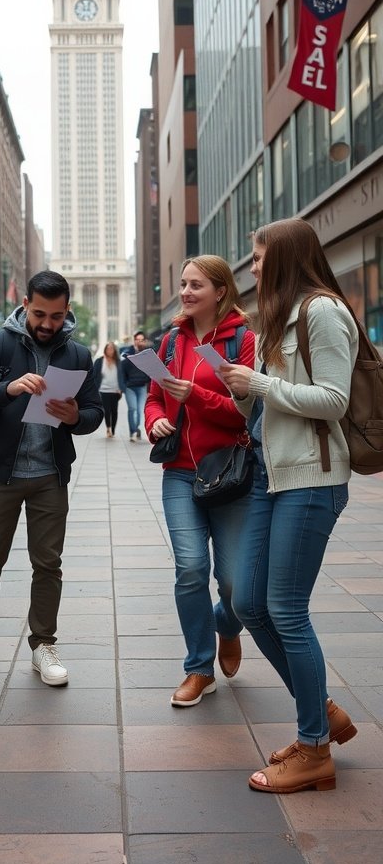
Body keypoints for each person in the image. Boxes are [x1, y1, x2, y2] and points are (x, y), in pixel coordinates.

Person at [219, 218, 359, 794]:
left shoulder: (324, 311)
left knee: (286, 609)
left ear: (283, 258)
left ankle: (314, 748)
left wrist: (260, 384)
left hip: (312, 479)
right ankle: (318, 709)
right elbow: (271, 405)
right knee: (248, 603)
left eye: (259, 257)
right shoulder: (278, 318)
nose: (252, 267)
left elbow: (332, 399)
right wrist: (239, 387)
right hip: (272, 476)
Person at [0, 270, 104, 692]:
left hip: (50, 475)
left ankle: (44, 644)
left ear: (66, 310)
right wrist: (9, 388)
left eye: (55, 315)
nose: (46, 323)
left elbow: (92, 414)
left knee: (48, 564)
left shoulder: (79, 354)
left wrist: (74, 417)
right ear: (25, 306)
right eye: (38, 313)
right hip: (1, 472)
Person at [145, 255, 255, 708]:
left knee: (234, 583)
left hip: (228, 471)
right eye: (184, 284)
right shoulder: (172, 340)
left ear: (221, 291)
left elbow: (244, 411)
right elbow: (154, 397)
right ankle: (198, 668)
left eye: (196, 286)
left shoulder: (242, 341)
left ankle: (227, 625)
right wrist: (155, 422)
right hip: (180, 473)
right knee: (191, 569)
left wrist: (198, 397)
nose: (186, 292)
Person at [122, 330, 151, 441]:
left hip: (142, 386)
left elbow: (151, 371)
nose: (140, 342)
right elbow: (122, 371)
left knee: (140, 410)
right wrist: (124, 386)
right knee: (132, 409)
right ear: (134, 341)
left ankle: (136, 429)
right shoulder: (127, 353)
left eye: (142, 340)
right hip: (130, 387)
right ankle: (133, 432)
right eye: (138, 340)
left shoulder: (148, 354)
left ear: (145, 341)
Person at [93, 341, 126, 437]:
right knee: (106, 411)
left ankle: (113, 429)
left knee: (114, 411)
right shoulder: (99, 361)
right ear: (105, 350)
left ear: (114, 350)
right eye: (108, 348)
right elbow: (94, 375)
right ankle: (108, 428)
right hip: (103, 390)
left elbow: (122, 376)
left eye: (111, 348)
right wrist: (95, 389)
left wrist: (121, 389)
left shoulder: (118, 362)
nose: (110, 350)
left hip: (115, 391)